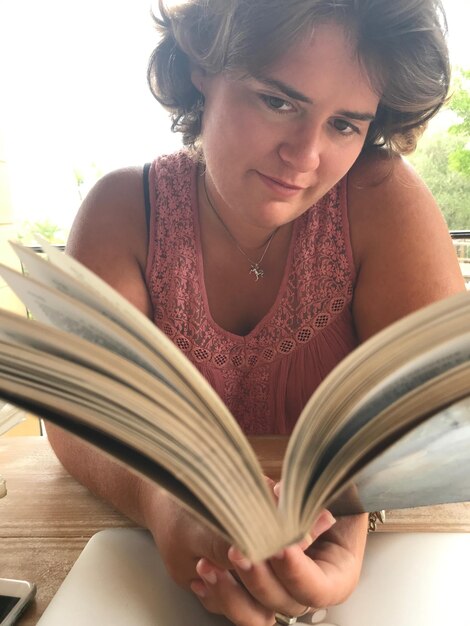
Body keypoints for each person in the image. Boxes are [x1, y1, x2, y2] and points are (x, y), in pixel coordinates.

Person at [46, 0, 466, 624]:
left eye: (345, 124)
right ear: (202, 64)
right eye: (279, 101)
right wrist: (167, 503)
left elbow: (441, 418)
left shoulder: (384, 204)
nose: (305, 156)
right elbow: (79, 417)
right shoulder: (123, 214)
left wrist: (346, 523)